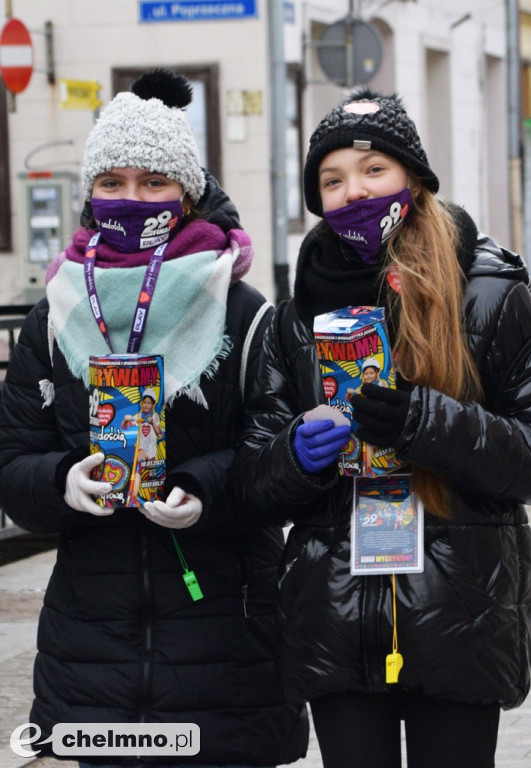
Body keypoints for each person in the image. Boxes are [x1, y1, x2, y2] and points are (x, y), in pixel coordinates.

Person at [0, 69, 308, 768]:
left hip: (227, 650)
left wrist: (204, 489)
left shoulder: (244, 309)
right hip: (94, 654)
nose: (130, 200)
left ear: (187, 193)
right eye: (111, 182)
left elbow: (276, 457)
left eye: (152, 183)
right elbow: (11, 461)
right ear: (88, 193)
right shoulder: (57, 312)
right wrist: (58, 484)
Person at [231, 88, 531, 768]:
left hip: (461, 614)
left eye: (372, 171)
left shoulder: (492, 293)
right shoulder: (293, 316)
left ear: (412, 179)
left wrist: (424, 421)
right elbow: (252, 482)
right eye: (331, 181)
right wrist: (294, 457)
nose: (351, 193)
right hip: (334, 616)